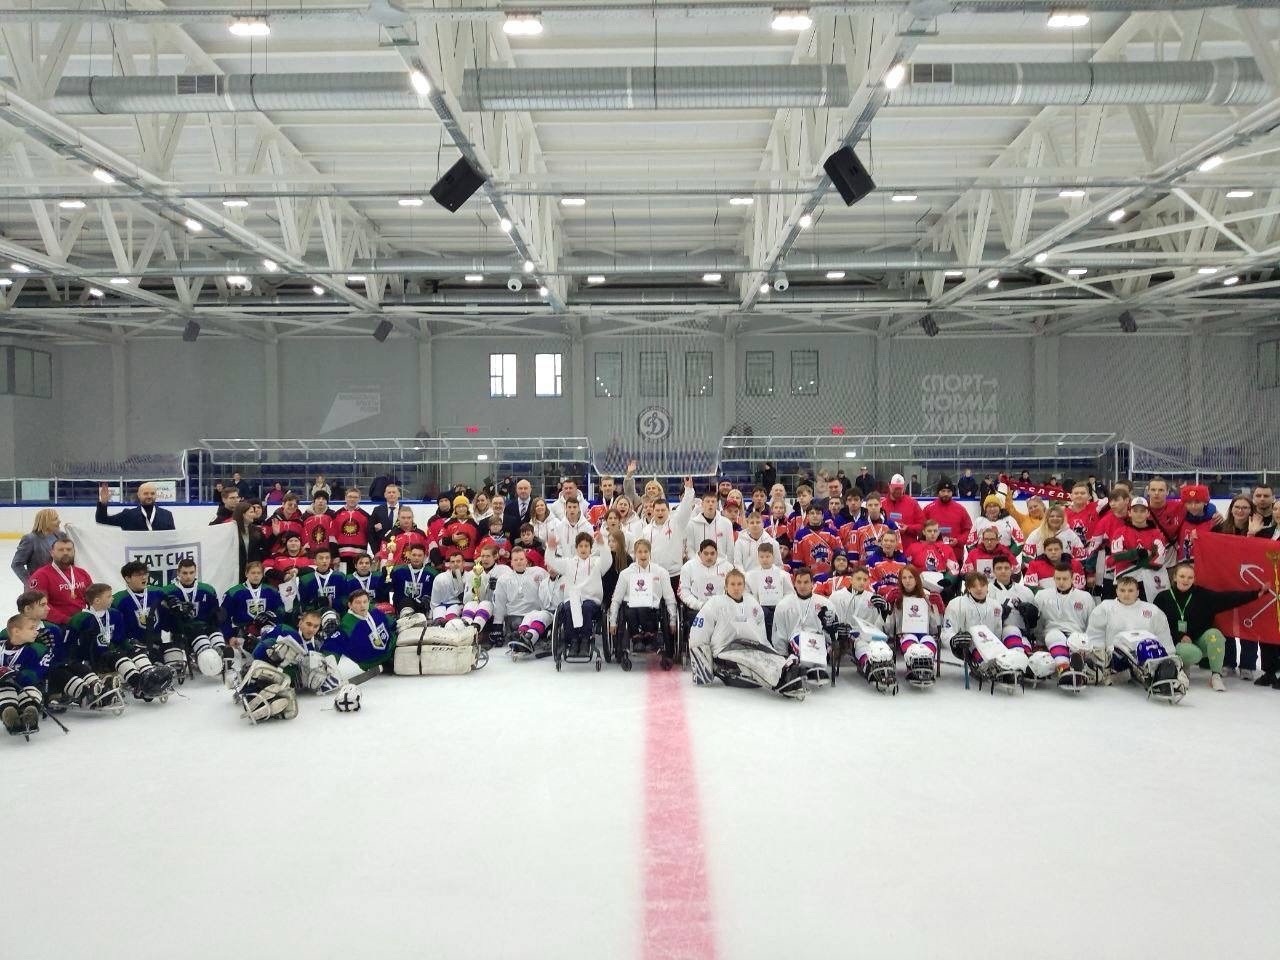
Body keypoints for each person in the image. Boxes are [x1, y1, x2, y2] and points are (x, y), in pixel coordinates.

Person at [687, 569, 806, 698]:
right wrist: (703, 668)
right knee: (754, 662)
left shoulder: (752, 603)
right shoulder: (714, 603)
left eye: (739, 584)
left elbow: (761, 634)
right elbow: (699, 633)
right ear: (726, 586)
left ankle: (789, 670)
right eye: (732, 584)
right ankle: (781, 681)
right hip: (725, 649)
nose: (736, 588)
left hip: (752, 646)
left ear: (744, 586)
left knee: (768, 658)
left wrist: (770, 651)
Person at [1153, 562, 1258, 692]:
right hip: (1176, 643)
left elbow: (1228, 598)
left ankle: (1216, 676)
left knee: (1216, 635)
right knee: (1192, 652)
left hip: (1197, 640)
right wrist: (1179, 636)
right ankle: (1182, 667)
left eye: (1190, 577)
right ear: (1174, 577)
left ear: (1194, 579)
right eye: (1182, 576)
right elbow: (1157, 625)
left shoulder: (1202, 595)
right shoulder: (1163, 598)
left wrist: (1255, 594)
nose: (1186, 580)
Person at [1086, 574, 1188, 702]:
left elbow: (1163, 636)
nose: (1126, 594)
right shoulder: (1105, 608)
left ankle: (1166, 675)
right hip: (1115, 657)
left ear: (1138, 592)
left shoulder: (1152, 610)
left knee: (1150, 646)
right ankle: (1155, 678)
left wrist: (1170, 657)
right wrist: (1099, 658)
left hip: (1145, 655)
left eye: (1130, 590)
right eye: (1122, 590)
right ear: (1116, 591)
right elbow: (1095, 634)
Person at [67, 583, 175, 702]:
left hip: (112, 653)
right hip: (96, 658)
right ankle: (139, 685)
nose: (112, 598)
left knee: (136, 651)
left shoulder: (115, 614)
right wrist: (76, 660)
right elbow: (69, 643)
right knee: (119, 657)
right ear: (97, 601)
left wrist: (132, 648)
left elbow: (121, 639)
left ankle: (152, 678)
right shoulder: (80, 619)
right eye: (109, 596)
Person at [608, 539, 679, 667]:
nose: (643, 555)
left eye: (646, 551)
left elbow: (669, 598)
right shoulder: (626, 574)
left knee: (644, 608)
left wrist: (673, 620)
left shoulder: (661, 572)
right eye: (640, 552)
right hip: (631, 609)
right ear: (635, 553)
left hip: (653, 610)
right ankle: (637, 639)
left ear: (650, 553)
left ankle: (649, 636)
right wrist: (613, 621)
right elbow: (616, 599)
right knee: (631, 609)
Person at [159, 558, 227, 678]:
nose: (188, 576)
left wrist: (218, 616)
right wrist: (173, 611)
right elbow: (163, 619)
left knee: (217, 636)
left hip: (205, 626)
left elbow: (215, 612)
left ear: (196, 572)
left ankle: (222, 657)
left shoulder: (207, 589)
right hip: (182, 629)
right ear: (178, 573)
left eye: (191, 572)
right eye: (184, 573)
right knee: (201, 639)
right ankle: (206, 657)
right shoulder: (167, 592)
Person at [1032, 562, 1098, 686]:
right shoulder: (1042, 595)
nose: (1061, 582)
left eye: (1065, 578)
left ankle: (1077, 665)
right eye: (1058, 578)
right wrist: (1039, 642)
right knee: (1054, 635)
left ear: (1072, 578)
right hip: (1052, 632)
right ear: (1053, 578)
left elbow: (1092, 624)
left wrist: (1091, 642)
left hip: (1076, 633)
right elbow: (1038, 622)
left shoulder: (1085, 597)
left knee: (1077, 641)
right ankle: (1064, 669)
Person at [770, 567, 836, 684]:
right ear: (794, 584)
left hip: (819, 640)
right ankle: (810, 667)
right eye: (799, 582)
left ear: (812, 584)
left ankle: (814, 667)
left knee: (818, 641)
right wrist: (782, 655)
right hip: (795, 640)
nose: (802, 586)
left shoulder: (825, 604)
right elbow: (779, 632)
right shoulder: (783, 605)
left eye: (806, 582)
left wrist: (829, 630)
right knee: (800, 639)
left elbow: (833, 631)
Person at [495, 547, 553, 656]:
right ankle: (523, 639)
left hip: (534, 615)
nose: (519, 562)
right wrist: (497, 625)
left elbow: (552, 582)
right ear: (511, 562)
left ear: (526, 560)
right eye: (515, 560)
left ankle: (527, 640)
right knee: (518, 623)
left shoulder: (539, 572)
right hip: (514, 617)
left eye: (521, 559)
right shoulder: (503, 579)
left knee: (541, 618)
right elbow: (499, 603)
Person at [26, 538, 91, 626]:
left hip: (82, 621)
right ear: (52, 553)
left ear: (74, 552)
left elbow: (93, 598)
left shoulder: (82, 573)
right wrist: (67, 620)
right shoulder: (41, 575)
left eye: (69, 549)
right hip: (57, 625)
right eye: (61, 550)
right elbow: (39, 606)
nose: (65, 553)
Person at [330, 589, 397, 674]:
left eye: (365, 602)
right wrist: (328, 667)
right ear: (350, 605)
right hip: (373, 662)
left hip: (391, 649)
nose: (362, 605)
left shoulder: (372, 609)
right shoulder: (346, 625)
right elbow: (334, 647)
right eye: (358, 602)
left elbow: (391, 623)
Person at [11, 509, 69, 583]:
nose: (59, 521)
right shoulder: (30, 539)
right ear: (45, 522)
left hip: (58, 583)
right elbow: (16, 564)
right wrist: (31, 582)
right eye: (55, 519)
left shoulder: (61, 536)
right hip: (40, 586)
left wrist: (71, 529)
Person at [95, 481, 175, 531]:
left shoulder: (167, 515)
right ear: (139, 495)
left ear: (156, 495)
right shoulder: (127, 515)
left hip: (159, 553)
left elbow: (172, 538)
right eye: (146, 493)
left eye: (152, 493)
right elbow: (101, 519)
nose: (149, 496)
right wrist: (103, 503)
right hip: (134, 553)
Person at [922, 480, 971, 560]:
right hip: (933, 556)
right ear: (938, 492)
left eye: (949, 491)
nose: (946, 494)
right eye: (943, 491)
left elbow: (968, 530)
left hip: (955, 556)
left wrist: (958, 541)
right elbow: (921, 530)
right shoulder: (928, 509)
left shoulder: (960, 510)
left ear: (952, 492)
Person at [685, 490, 734, 559]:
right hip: (698, 563)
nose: (710, 504)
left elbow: (730, 549)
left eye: (713, 501)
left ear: (717, 504)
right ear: (702, 504)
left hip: (721, 563)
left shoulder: (727, 523)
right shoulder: (692, 524)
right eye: (707, 501)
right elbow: (690, 549)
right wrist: (696, 563)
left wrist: (727, 564)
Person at [332, 488, 370, 572]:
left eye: (355, 497)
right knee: (342, 578)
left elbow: (369, 536)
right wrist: (335, 555)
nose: (352, 499)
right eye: (350, 497)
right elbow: (332, 537)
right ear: (345, 498)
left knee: (357, 579)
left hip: (360, 557)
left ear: (359, 499)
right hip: (341, 556)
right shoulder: (336, 515)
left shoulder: (366, 516)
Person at [368, 482, 403, 550]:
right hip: (381, 550)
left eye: (394, 492)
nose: (391, 494)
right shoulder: (377, 510)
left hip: (400, 549)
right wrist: (376, 552)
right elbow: (370, 533)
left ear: (399, 494)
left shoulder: (405, 510)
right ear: (385, 495)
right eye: (389, 492)